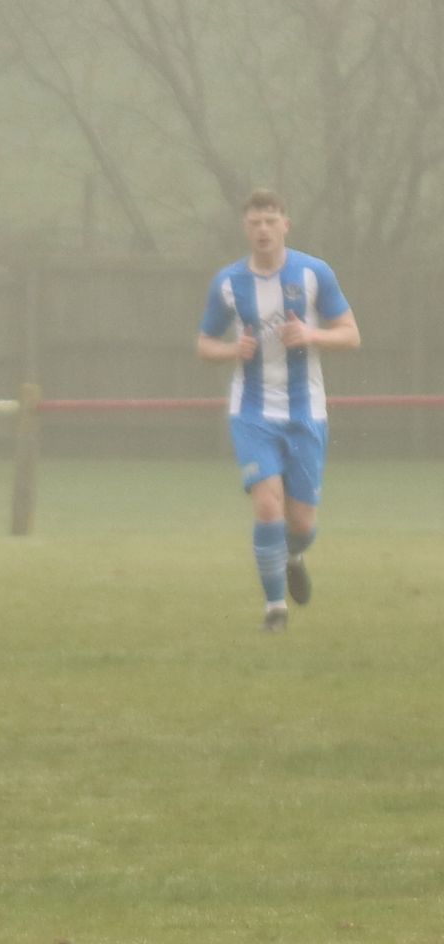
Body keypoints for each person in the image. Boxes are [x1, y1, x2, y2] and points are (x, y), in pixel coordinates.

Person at [196, 189, 359, 632]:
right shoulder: (228, 283)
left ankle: (293, 555)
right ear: (245, 228)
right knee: (268, 506)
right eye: (255, 223)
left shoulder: (314, 273)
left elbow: (350, 334)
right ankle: (275, 611)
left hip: (306, 412)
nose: (263, 229)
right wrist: (232, 350)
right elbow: (205, 344)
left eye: (270, 221)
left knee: (301, 522)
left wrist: (311, 335)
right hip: (251, 412)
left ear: (286, 224)